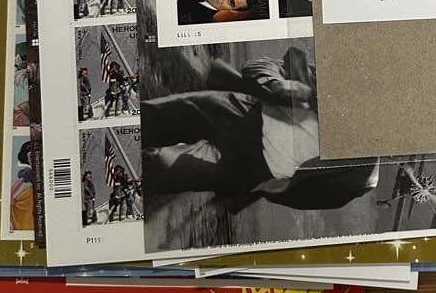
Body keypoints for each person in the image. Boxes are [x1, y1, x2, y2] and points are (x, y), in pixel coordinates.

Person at [141, 50, 381, 213]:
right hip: (238, 110)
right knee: (149, 117)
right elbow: (259, 66)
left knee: (157, 166)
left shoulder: (362, 177)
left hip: (249, 166)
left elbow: (313, 199)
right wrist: (277, 85)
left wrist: (268, 189)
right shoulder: (341, 86)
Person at [9, 139, 35, 231]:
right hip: (31, 198)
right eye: (31, 156)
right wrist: (10, 196)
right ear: (27, 160)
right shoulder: (29, 172)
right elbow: (19, 183)